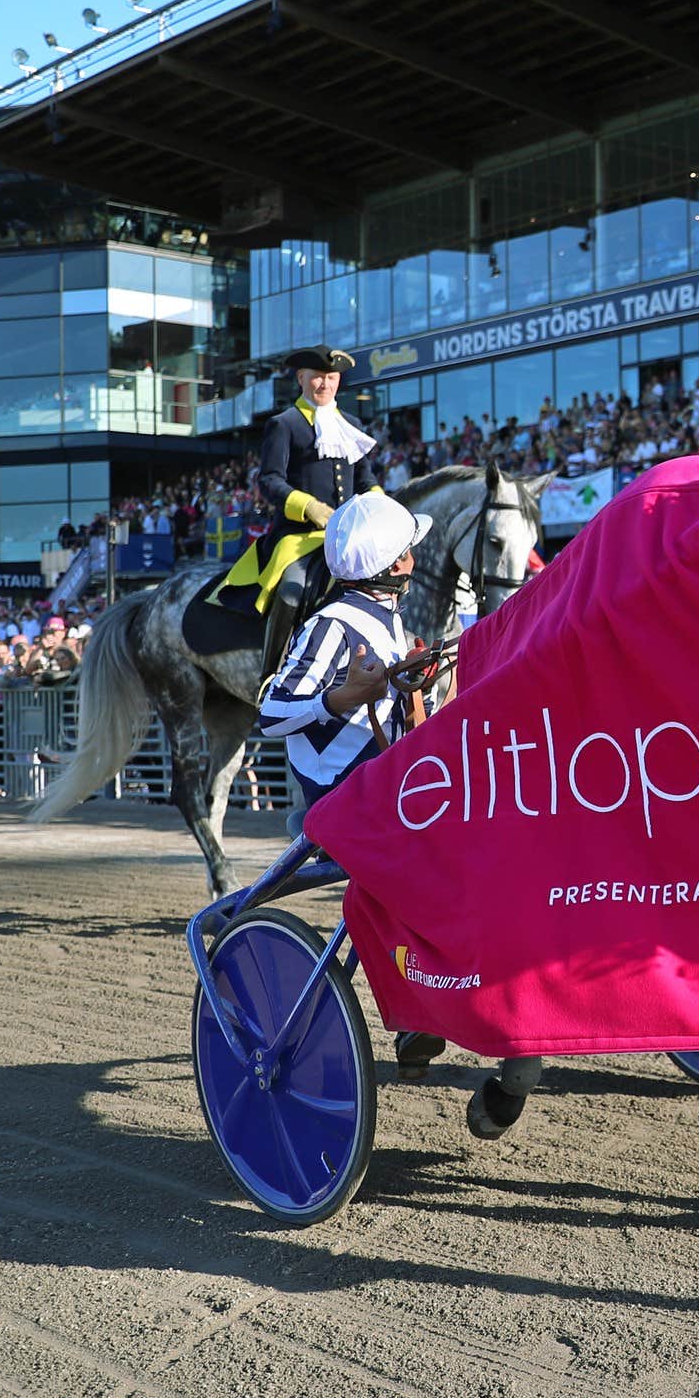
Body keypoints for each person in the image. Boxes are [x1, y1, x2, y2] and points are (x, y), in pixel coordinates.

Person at [258, 490, 439, 1073]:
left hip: (387, 785)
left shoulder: (388, 619)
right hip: (345, 798)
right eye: (409, 550)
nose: (414, 557)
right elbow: (270, 712)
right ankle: (416, 1006)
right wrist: (341, 698)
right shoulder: (332, 624)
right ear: (395, 565)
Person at [218, 346, 384, 681]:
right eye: (318, 377)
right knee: (291, 591)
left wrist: (383, 508)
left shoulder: (350, 424)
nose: (324, 384)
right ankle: (271, 674)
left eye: (331, 377)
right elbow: (269, 480)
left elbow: (366, 481)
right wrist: (308, 506)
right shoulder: (284, 424)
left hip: (347, 538)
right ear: (301, 378)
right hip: (299, 538)